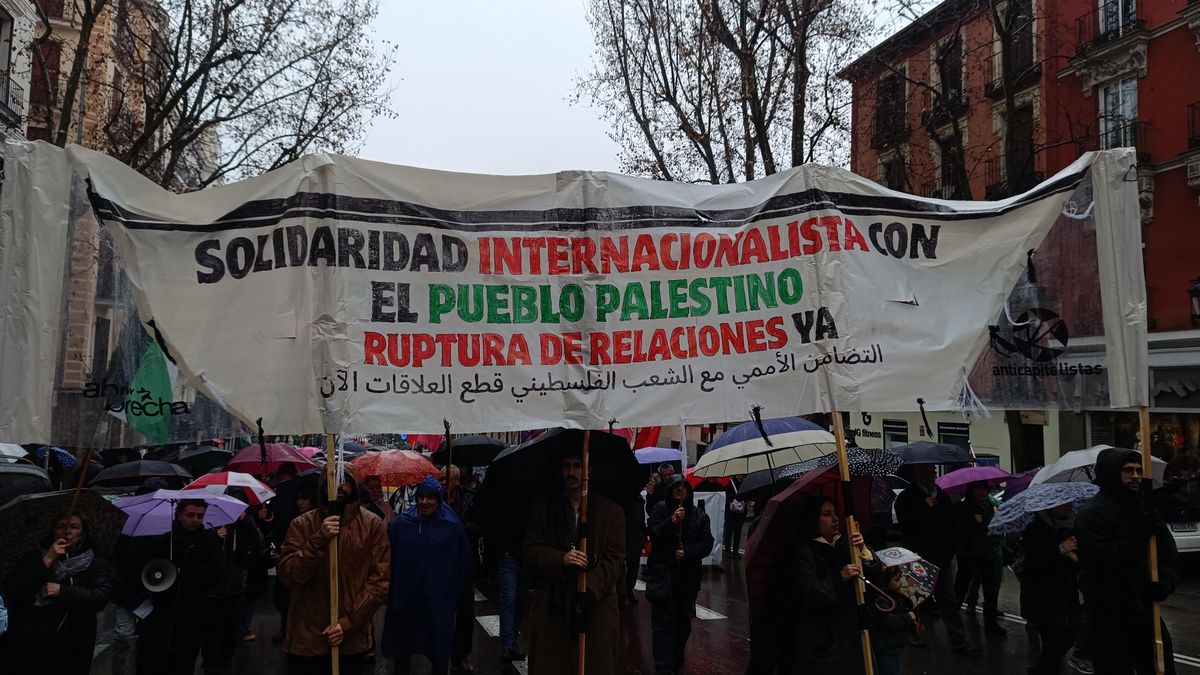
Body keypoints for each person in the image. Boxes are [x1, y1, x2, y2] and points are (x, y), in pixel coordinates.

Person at [1076, 447, 1180, 675]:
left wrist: (1165, 583)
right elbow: (1104, 562)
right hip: (1109, 616)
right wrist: (1136, 536)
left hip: (1146, 611)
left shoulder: (1147, 509)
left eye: (1138, 470)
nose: (1135, 476)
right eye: (1127, 470)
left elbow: (1169, 554)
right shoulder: (1091, 514)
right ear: (1112, 473)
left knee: (1159, 667)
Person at [278, 466, 390, 675]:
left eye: (344, 480)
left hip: (351, 641)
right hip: (308, 640)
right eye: (332, 479)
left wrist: (347, 624)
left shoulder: (372, 525)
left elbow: (379, 582)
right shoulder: (301, 525)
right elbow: (289, 576)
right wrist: (317, 540)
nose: (338, 486)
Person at [523, 448, 625, 675]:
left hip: (595, 610)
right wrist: (561, 558)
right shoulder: (542, 507)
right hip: (554, 607)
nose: (572, 472)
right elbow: (530, 550)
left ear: (589, 469)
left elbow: (615, 559)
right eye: (567, 466)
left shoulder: (612, 512)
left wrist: (592, 590)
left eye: (578, 465)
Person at [0, 512, 116, 674]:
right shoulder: (35, 557)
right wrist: (47, 559)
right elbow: (14, 591)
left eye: (74, 527)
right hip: (31, 643)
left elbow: (100, 597)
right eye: (60, 526)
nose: (66, 531)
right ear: (53, 531)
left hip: (73, 645)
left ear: (83, 533)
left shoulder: (96, 563)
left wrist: (63, 592)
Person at [382, 475, 473, 675]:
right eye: (422, 497)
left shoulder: (451, 526)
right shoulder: (404, 523)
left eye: (430, 498)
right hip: (407, 597)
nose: (425, 502)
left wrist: (451, 591)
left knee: (438, 646)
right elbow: (389, 555)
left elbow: (462, 562)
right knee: (403, 645)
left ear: (438, 499)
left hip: (437, 599)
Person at [893, 465, 979, 656]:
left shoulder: (942, 496)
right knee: (913, 598)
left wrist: (952, 547)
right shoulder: (907, 497)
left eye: (932, 471)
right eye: (926, 472)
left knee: (947, 598)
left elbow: (950, 523)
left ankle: (959, 640)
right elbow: (906, 524)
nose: (931, 475)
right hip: (918, 557)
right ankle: (912, 632)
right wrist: (925, 509)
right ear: (918, 475)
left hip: (942, 557)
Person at [787, 496, 875, 675]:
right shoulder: (804, 552)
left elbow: (874, 581)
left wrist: (864, 551)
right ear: (813, 520)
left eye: (835, 513)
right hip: (824, 644)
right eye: (827, 514)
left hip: (850, 638)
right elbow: (808, 594)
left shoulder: (844, 547)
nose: (835, 519)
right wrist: (839, 578)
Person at [135, 499, 223, 674]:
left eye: (200, 516)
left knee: (184, 661)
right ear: (179, 514)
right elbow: (143, 571)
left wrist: (183, 571)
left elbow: (216, 572)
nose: (196, 520)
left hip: (193, 612)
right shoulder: (163, 540)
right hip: (160, 613)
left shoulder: (208, 540)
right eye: (191, 515)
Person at [646, 476, 714, 675]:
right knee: (663, 624)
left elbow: (706, 543)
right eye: (677, 487)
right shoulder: (660, 510)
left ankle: (677, 655)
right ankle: (663, 666)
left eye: (684, 487)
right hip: (664, 576)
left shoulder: (699, 516)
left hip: (688, 579)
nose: (680, 490)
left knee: (683, 622)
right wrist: (672, 521)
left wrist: (688, 553)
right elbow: (654, 534)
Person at [200, 488, 268, 674]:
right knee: (211, 631)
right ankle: (211, 662)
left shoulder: (245, 523)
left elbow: (258, 544)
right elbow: (201, 550)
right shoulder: (211, 522)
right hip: (212, 589)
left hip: (235, 586)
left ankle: (225, 659)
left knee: (230, 629)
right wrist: (213, 537)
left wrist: (246, 521)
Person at [1020, 501, 1082, 675]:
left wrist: (1076, 559)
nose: (1069, 505)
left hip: (1067, 596)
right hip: (1043, 597)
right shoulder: (1035, 530)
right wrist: (1061, 549)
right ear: (1051, 505)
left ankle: (1041, 668)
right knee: (1054, 642)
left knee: (1068, 638)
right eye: (1063, 503)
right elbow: (1035, 565)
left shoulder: (1071, 529)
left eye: (1070, 501)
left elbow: (1078, 561)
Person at [953, 481, 1006, 637]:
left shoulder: (990, 506)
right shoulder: (961, 508)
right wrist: (971, 521)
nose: (982, 492)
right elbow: (956, 530)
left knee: (991, 590)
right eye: (978, 489)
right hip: (969, 555)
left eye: (984, 488)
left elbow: (993, 529)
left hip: (988, 554)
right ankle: (954, 624)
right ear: (971, 491)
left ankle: (991, 623)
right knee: (961, 588)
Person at [440, 465, 479, 673]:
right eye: (440, 479)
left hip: (464, 564)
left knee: (465, 613)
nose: (443, 483)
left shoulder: (469, 499)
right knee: (440, 612)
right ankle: (439, 653)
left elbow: (477, 526)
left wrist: (457, 529)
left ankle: (461, 655)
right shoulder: (435, 499)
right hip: (441, 565)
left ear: (456, 481)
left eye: (447, 480)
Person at [272, 486, 316, 644]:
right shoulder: (290, 520)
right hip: (291, 565)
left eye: (305, 499)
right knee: (285, 600)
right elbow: (278, 538)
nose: (301, 503)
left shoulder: (318, 520)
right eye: (299, 499)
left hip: (309, 568)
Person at [867, 566, 918, 675]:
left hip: (893, 645)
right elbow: (888, 621)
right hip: (886, 647)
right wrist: (907, 618)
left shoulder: (894, 595)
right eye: (896, 580)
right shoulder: (881, 599)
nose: (899, 582)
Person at [724, 476, 748, 559]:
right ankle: (727, 550)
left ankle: (735, 551)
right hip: (730, 512)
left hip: (741, 512)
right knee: (729, 531)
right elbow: (726, 495)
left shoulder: (745, 482)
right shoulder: (730, 482)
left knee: (738, 532)